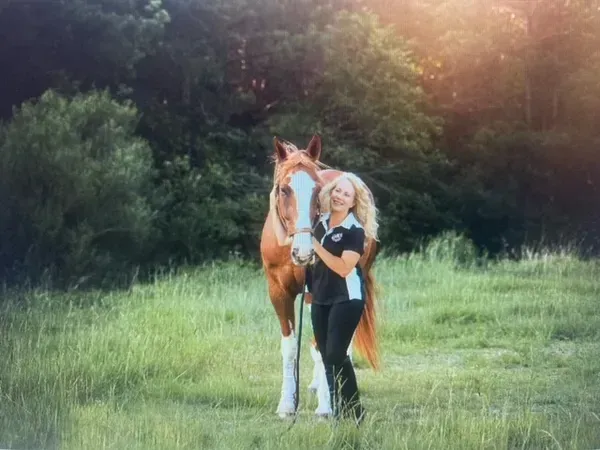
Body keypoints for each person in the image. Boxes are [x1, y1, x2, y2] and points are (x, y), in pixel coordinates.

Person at [305, 172, 379, 426]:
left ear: (353, 202)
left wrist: (314, 245)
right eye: (337, 190)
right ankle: (339, 412)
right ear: (330, 192)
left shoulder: (354, 230)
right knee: (326, 355)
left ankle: (355, 410)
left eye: (346, 194)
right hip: (321, 298)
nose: (339, 196)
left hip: (347, 298)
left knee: (336, 353)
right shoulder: (320, 222)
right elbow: (297, 249)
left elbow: (343, 267)